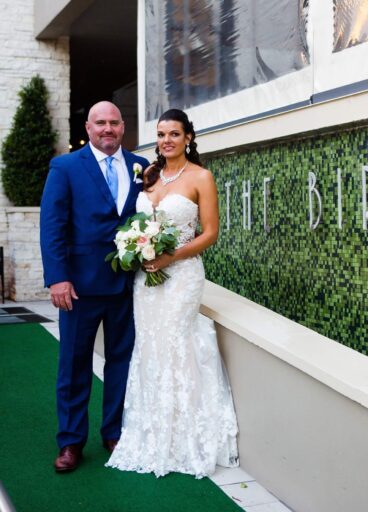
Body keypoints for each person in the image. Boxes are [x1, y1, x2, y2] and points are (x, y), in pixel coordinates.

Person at [106, 108, 238, 478]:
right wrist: (137, 248)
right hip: (146, 280)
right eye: (161, 134)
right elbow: (138, 224)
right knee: (149, 347)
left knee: (176, 345)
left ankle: (183, 437)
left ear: (188, 137)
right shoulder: (148, 175)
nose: (166, 140)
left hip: (182, 277)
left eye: (174, 134)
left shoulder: (201, 177)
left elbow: (210, 233)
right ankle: (151, 431)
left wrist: (171, 256)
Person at [40, 101, 149, 472]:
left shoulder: (140, 166)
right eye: (100, 122)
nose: (108, 128)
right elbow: (52, 226)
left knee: (122, 362)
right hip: (78, 288)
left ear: (123, 127)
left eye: (114, 122)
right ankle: (71, 442)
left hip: (127, 286)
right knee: (74, 365)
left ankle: (114, 433)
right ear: (88, 128)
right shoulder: (66, 167)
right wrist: (58, 277)